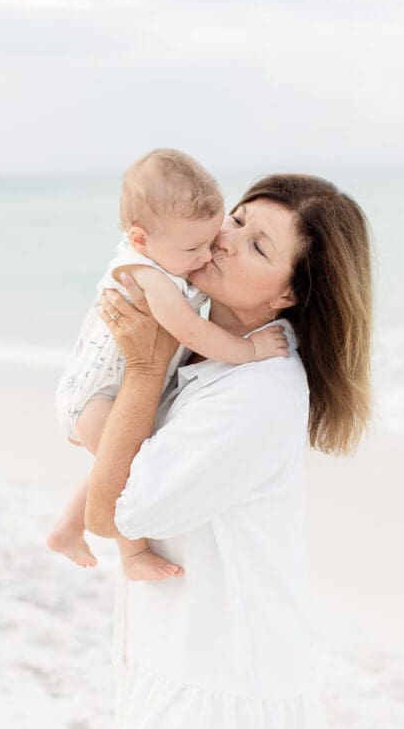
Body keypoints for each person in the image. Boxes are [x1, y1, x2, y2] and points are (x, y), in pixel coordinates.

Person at [85, 173, 374, 729]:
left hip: (221, 689)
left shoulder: (256, 393)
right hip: (184, 664)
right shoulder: (208, 353)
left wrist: (145, 364)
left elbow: (120, 510)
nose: (224, 238)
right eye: (235, 219)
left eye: (256, 243)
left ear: (287, 295)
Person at [48, 148, 287, 580]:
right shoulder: (149, 275)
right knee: (126, 469)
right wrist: (250, 350)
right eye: (195, 246)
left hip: (109, 391)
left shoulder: (166, 252)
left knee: (112, 462)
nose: (207, 254)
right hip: (98, 396)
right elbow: (191, 332)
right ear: (141, 239)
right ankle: (133, 555)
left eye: (213, 238)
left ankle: (66, 528)